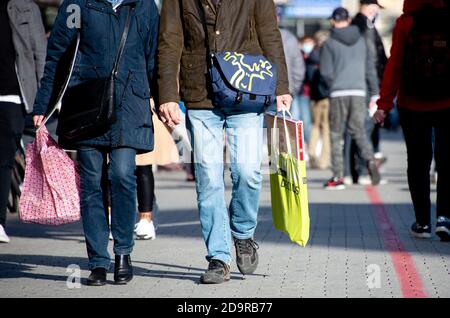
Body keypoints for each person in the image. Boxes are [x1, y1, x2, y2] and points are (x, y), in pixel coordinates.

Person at [158, 0, 291, 284]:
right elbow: (170, 40)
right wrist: (167, 94)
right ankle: (218, 257)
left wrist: (281, 87)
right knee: (208, 178)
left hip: (247, 90)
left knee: (248, 172)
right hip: (200, 93)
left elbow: (270, 32)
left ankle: (243, 234)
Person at [32, 0, 159, 286]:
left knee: (123, 175)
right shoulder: (77, 5)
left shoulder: (143, 5)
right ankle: (98, 262)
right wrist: (44, 103)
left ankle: (123, 252)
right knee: (91, 182)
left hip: (129, 103)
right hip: (87, 103)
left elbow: (154, 56)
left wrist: (163, 101)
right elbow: (57, 56)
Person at [374, 0, 450, 241]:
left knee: (418, 162)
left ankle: (422, 223)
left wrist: (384, 104)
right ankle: (445, 219)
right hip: (447, 103)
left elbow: (394, 65)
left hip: (412, 103)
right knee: (446, 160)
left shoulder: (405, 23)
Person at [0, 0, 47, 243]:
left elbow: (40, 52)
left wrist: (43, 101)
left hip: (13, 96)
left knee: (4, 158)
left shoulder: (26, 7)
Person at [320, 7, 381, 190]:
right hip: (359, 92)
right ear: (348, 20)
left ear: (333, 21)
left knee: (336, 134)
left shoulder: (329, 43)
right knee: (359, 131)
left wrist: (332, 86)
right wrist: (375, 93)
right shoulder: (361, 41)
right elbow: (370, 69)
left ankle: (338, 176)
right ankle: (370, 160)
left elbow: (325, 73)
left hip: (339, 92)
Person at [347, 0, 388, 185]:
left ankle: (358, 171)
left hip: (362, 84)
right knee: (364, 128)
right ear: (368, 6)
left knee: (361, 127)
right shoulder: (364, 26)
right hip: (367, 86)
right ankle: (363, 170)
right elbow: (371, 60)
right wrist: (375, 90)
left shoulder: (360, 24)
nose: (376, 10)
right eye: (375, 7)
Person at [307, 31, 331, 170]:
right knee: (326, 128)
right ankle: (324, 161)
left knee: (315, 126)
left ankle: (311, 153)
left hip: (314, 97)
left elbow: (308, 77)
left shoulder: (311, 55)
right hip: (327, 97)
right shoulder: (327, 55)